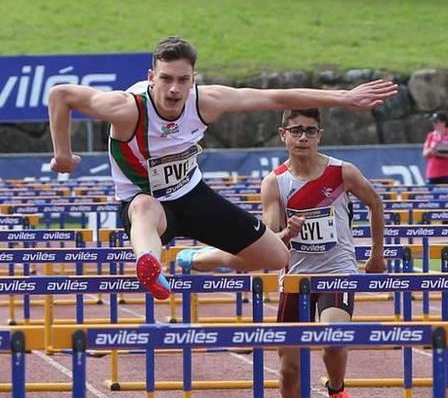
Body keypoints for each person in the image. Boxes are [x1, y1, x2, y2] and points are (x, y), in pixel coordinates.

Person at [47, 36, 396, 300]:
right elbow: (61, 95)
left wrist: (345, 98)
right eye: (166, 78)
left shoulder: (206, 101)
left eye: (183, 80)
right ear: (151, 76)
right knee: (144, 207)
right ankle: (150, 267)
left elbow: (276, 98)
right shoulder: (126, 108)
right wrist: (63, 154)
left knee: (276, 255)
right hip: (147, 203)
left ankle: (202, 257)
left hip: (191, 194)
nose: (174, 89)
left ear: (193, 79)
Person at [260, 108, 386, 398]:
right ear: (282, 134)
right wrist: (288, 233)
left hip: (338, 271)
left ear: (320, 135)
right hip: (296, 277)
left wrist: (376, 256)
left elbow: (375, 203)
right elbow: (270, 239)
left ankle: (336, 389)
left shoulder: (342, 172)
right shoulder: (275, 183)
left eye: (310, 131)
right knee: (288, 368)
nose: (303, 138)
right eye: (296, 131)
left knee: (334, 335)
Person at [421, 111, 448, 185]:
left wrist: (437, 153)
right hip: (432, 173)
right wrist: (432, 148)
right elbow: (425, 154)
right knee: (430, 196)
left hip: (447, 173)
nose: (434, 124)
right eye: (433, 122)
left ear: (443, 123)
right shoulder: (430, 136)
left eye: (436, 122)